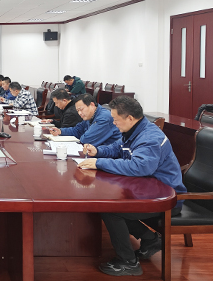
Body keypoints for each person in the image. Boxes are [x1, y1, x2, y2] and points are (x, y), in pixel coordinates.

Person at [78, 96, 186, 277]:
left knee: (110, 209)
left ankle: (127, 262)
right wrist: (98, 151)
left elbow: (139, 167)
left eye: (115, 119)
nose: (113, 123)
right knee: (107, 202)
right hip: (146, 189)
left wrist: (99, 163)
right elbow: (117, 148)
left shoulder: (149, 138)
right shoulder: (134, 130)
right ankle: (150, 240)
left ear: (129, 118)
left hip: (165, 197)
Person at [49, 93, 121, 146]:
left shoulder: (104, 118)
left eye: (81, 109)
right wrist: (60, 131)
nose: (79, 113)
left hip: (109, 155)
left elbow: (86, 140)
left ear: (92, 105)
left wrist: (82, 135)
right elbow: (77, 130)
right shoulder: (89, 116)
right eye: (78, 110)